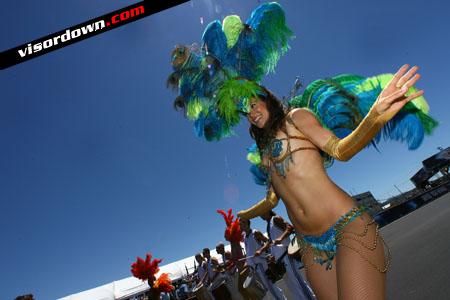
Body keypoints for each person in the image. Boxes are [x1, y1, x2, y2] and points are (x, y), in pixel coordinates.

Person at [168, 2, 438, 299]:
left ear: (266, 97)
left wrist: (374, 116)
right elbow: (273, 198)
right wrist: (242, 215)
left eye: (255, 102)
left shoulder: (296, 118)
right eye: (245, 109)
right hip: (310, 245)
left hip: (345, 227)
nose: (252, 111)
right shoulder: (264, 154)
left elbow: (339, 150)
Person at [257, 210, 315, 300]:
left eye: (261, 213)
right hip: (280, 261)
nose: (260, 215)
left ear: (267, 211)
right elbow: (273, 244)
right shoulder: (268, 225)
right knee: (292, 287)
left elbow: (290, 228)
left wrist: (281, 238)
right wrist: (272, 255)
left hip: (286, 256)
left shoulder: (275, 218)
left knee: (298, 283)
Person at [241, 218, 286, 300]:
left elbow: (268, 242)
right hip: (255, 268)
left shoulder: (255, 233)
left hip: (262, 265)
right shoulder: (245, 238)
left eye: (242, 223)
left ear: (247, 223)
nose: (240, 225)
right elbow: (249, 254)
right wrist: (246, 264)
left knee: (272, 288)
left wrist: (260, 250)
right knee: (269, 289)